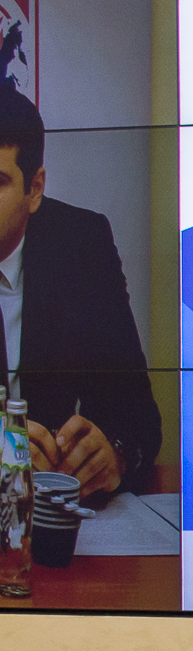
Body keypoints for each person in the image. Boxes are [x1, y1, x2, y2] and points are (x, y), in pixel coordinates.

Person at [0, 84, 162, 497]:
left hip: (53, 511)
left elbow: (138, 417)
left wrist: (116, 454)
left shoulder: (81, 246)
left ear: (35, 188)